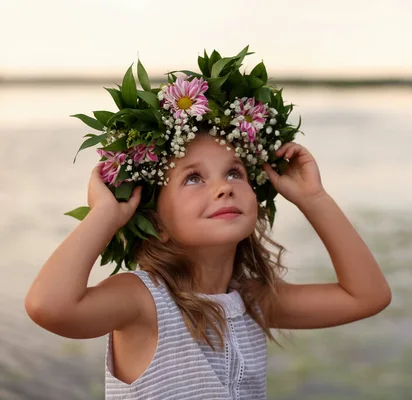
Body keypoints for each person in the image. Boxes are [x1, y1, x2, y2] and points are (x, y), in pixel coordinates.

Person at [24, 49, 391, 400]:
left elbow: (367, 296)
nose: (223, 188)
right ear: (156, 222)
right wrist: (105, 213)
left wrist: (314, 200)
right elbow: (48, 306)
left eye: (234, 172)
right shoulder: (143, 301)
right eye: (194, 178)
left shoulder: (254, 300)